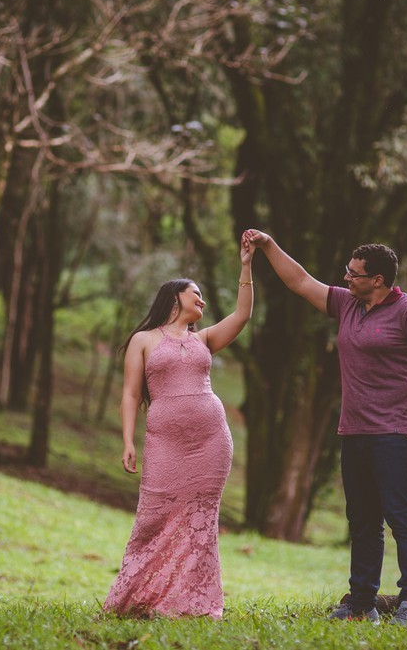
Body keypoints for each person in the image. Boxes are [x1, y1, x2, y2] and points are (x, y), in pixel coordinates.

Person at [243, 230, 407, 627]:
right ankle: (361, 603)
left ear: (378, 280)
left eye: (354, 274)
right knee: (362, 520)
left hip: (396, 432)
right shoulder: (346, 304)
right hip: (354, 432)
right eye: (347, 271)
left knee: (404, 518)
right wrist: (268, 246)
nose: (346, 279)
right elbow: (300, 281)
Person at [103, 234, 255, 619]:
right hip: (165, 442)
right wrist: (127, 440)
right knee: (153, 517)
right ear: (175, 298)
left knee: (201, 521)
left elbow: (242, 316)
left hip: (211, 441)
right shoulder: (143, 340)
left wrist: (246, 266)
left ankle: (194, 604)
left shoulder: (203, 338)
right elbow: (130, 394)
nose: (202, 301)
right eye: (196, 294)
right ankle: (139, 597)